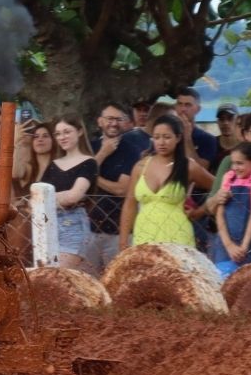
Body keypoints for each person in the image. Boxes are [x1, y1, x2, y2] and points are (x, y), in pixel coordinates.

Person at [117, 114, 200, 249]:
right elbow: (129, 204)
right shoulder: (140, 167)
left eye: (166, 137)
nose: (161, 142)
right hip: (144, 235)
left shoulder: (188, 166)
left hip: (178, 236)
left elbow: (218, 186)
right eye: (156, 137)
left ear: (178, 138)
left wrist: (201, 210)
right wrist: (123, 240)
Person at [85, 104, 150, 272]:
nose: (113, 123)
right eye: (109, 119)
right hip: (88, 231)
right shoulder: (89, 147)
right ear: (100, 122)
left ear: (125, 122)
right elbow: (78, 181)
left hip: (117, 232)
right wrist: (102, 154)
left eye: (118, 119)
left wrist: (93, 178)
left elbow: (122, 189)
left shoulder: (131, 151)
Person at [39, 116, 96, 272]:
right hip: (47, 225)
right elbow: (36, 198)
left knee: (58, 276)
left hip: (73, 225)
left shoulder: (89, 162)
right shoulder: (53, 165)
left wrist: (49, 197)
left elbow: (74, 196)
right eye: (58, 134)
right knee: (47, 277)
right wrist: (60, 196)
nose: (62, 137)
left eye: (67, 132)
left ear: (79, 132)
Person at [212, 140, 251, 274]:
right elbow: (219, 213)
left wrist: (244, 246)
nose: (235, 167)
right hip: (225, 242)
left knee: (248, 284)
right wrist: (228, 245)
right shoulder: (228, 178)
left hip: (250, 242)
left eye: (240, 163)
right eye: (233, 163)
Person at [172, 89, 220, 169]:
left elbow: (201, 169)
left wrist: (187, 138)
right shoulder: (167, 135)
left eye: (188, 105)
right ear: (175, 107)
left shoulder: (207, 139)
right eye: (180, 104)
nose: (183, 109)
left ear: (198, 109)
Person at [14, 120, 56, 193]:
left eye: (45, 136)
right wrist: (17, 141)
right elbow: (16, 174)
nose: (40, 139)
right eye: (36, 137)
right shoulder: (29, 168)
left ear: (53, 140)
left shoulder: (59, 166)